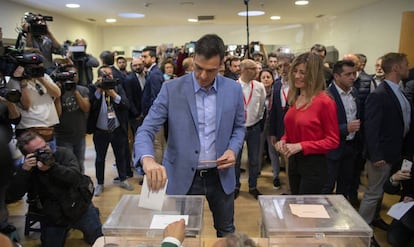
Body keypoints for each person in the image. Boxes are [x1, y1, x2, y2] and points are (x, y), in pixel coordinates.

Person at [134, 34, 245, 237]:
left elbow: (239, 127)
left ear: (221, 65)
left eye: (210, 70)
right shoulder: (171, 89)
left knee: (227, 232)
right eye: (198, 68)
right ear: (193, 60)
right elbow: (146, 129)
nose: (202, 76)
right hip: (184, 177)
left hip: (221, 176)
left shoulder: (233, 90)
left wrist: (233, 149)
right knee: (184, 235)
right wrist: (147, 159)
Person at [7, 131, 103, 247]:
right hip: (53, 217)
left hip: (79, 207)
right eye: (39, 151)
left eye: (45, 146)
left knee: (98, 239)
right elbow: (13, 195)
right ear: (29, 155)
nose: (46, 151)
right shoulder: (27, 168)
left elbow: (75, 178)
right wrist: (24, 171)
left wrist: (52, 168)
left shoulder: (62, 154)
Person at [359, 52, 414, 246]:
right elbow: (371, 128)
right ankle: (363, 231)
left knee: (380, 193)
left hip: (396, 152)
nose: (409, 67)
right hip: (381, 155)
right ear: (396, 68)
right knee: (373, 193)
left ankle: (374, 219)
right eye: (406, 64)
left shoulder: (399, 91)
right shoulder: (380, 94)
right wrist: (376, 155)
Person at [274, 52, 339, 195]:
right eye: (295, 71)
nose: (297, 76)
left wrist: (301, 146)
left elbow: (333, 141)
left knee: (306, 210)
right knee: (296, 205)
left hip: (314, 164)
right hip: (294, 161)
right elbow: (291, 130)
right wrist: (284, 140)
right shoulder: (295, 96)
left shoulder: (325, 101)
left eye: (302, 72)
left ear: (314, 74)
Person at [87, 66, 133, 196]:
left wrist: (113, 94)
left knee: (121, 156)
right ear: (99, 77)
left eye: (109, 75)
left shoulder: (118, 87)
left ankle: (123, 179)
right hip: (100, 130)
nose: (108, 77)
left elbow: (126, 105)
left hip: (117, 130)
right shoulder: (93, 88)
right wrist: (99, 90)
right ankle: (100, 183)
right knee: (100, 158)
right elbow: (90, 105)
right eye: (104, 75)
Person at [322, 60, 361, 199]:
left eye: (354, 73)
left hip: (350, 146)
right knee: (327, 185)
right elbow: (322, 128)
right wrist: (345, 128)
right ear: (336, 76)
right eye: (348, 74)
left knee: (344, 185)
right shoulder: (326, 96)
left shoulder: (354, 93)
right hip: (332, 148)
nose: (353, 77)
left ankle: (340, 217)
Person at [234, 59, 266, 200]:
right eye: (254, 69)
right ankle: (235, 185)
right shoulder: (233, 87)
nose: (257, 71)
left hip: (254, 127)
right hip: (237, 129)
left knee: (254, 159)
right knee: (236, 160)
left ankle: (253, 186)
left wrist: (256, 119)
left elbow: (262, 107)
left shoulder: (259, 86)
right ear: (245, 70)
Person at [54, 64, 90, 173]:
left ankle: (81, 187)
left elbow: (86, 108)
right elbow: (57, 115)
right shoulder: (57, 91)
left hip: (79, 135)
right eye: (69, 75)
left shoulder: (83, 90)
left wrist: (75, 92)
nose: (73, 77)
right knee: (67, 165)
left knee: (80, 163)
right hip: (63, 136)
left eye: (75, 74)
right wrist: (58, 94)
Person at [384, 164, 414, 247]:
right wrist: (394, 179)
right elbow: (388, 189)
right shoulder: (404, 162)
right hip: (407, 207)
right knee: (394, 239)